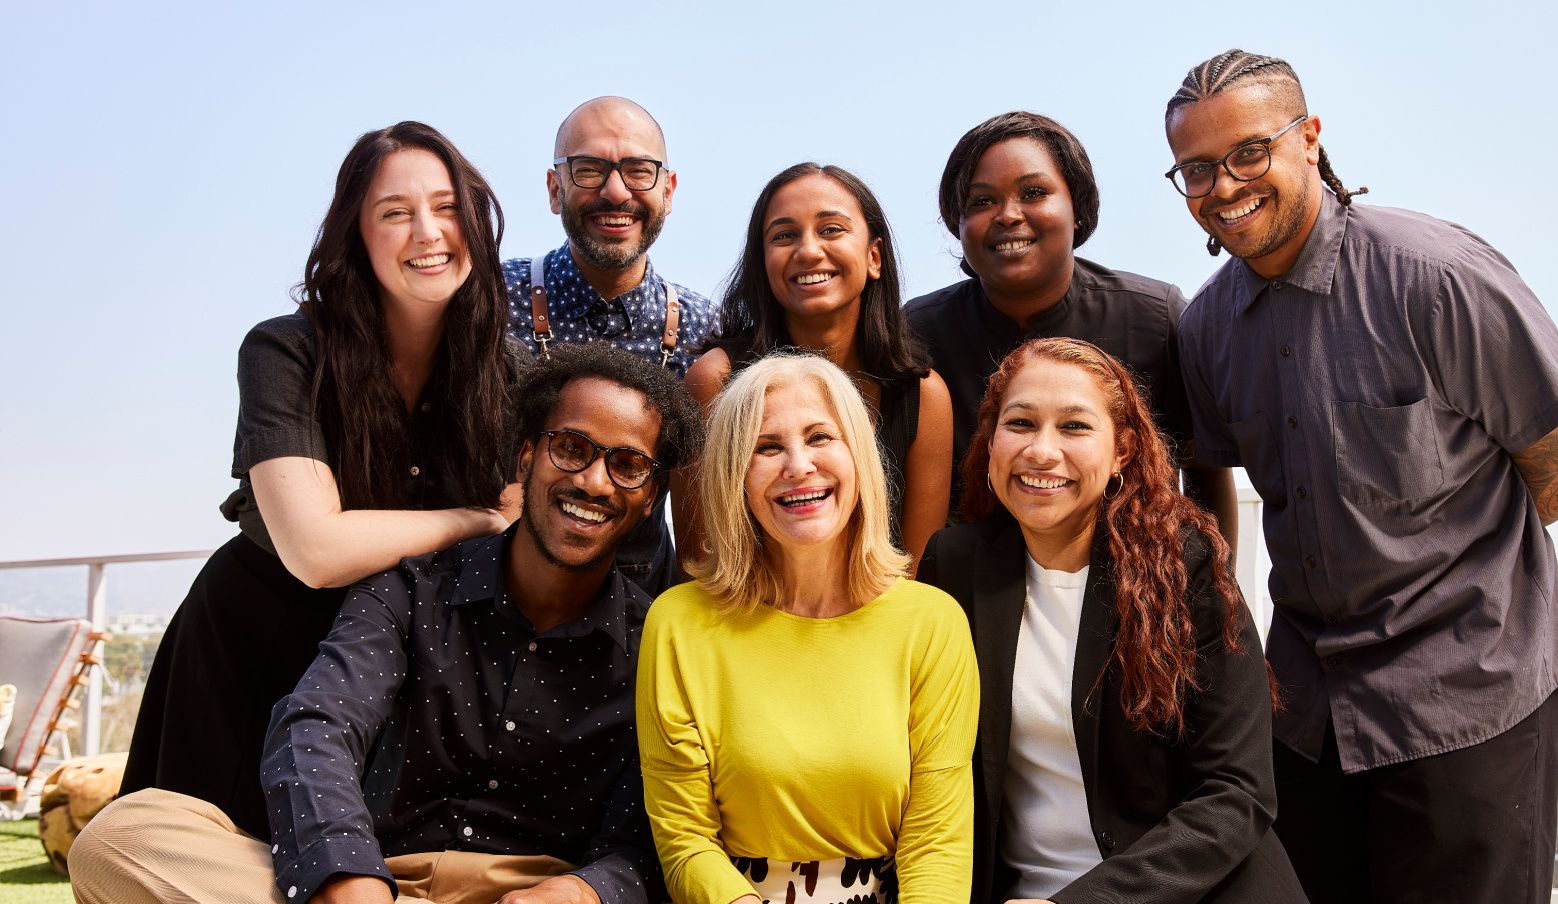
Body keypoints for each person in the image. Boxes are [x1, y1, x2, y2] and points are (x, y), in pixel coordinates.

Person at [1163, 49, 1558, 904]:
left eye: (1250, 152)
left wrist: (1458, 573)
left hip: (1472, 691)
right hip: (1309, 709)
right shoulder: (1207, 326)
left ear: (1309, 138)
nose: (1224, 186)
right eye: (1198, 168)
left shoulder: (1436, 275)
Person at [72, 342, 701, 904]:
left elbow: (654, 837)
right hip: (375, 896)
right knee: (125, 837)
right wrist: (346, 878)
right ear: (526, 458)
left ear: (652, 499)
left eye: (627, 466)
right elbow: (317, 727)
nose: (594, 481)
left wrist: (582, 894)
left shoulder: (658, 645)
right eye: (571, 448)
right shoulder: (409, 589)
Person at [119, 121, 520, 841]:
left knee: (353, 877)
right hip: (253, 642)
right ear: (356, 236)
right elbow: (315, 549)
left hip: (402, 666)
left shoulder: (512, 372)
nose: (427, 231)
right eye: (394, 213)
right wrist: (477, 520)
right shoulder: (285, 351)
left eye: (446, 207)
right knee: (194, 868)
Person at [917, 337, 1318, 904]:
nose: (1041, 451)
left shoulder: (1183, 568)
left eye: (1074, 426)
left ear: (1122, 450)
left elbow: (1237, 792)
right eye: (1020, 423)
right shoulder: (953, 565)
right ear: (991, 440)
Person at [638, 354, 979, 904]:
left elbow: (937, 843)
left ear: (858, 456)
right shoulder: (678, 623)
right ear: (734, 475)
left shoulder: (932, 623)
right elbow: (684, 839)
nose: (799, 466)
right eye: (766, 448)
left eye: (820, 437)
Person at [905, 112, 1236, 546]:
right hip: (965, 584)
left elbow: (1206, 474)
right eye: (981, 201)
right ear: (958, 223)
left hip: (1130, 578)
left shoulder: (1157, 319)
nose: (1008, 215)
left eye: (1033, 192)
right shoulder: (917, 333)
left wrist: (1216, 580)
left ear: (1077, 209)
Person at [680, 163, 951, 565]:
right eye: (784, 235)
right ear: (763, 263)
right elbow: (701, 564)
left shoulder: (924, 397)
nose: (808, 251)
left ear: (874, 256)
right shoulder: (714, 381)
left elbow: (918, 573)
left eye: (831, 230)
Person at [503, 96, 720, 596]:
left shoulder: (705, 332)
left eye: (639, 171)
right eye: (589, 169)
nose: (616, 191)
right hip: (491, 598)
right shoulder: (490, 301)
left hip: (641, 609)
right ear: (555, 188)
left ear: (668, 190)